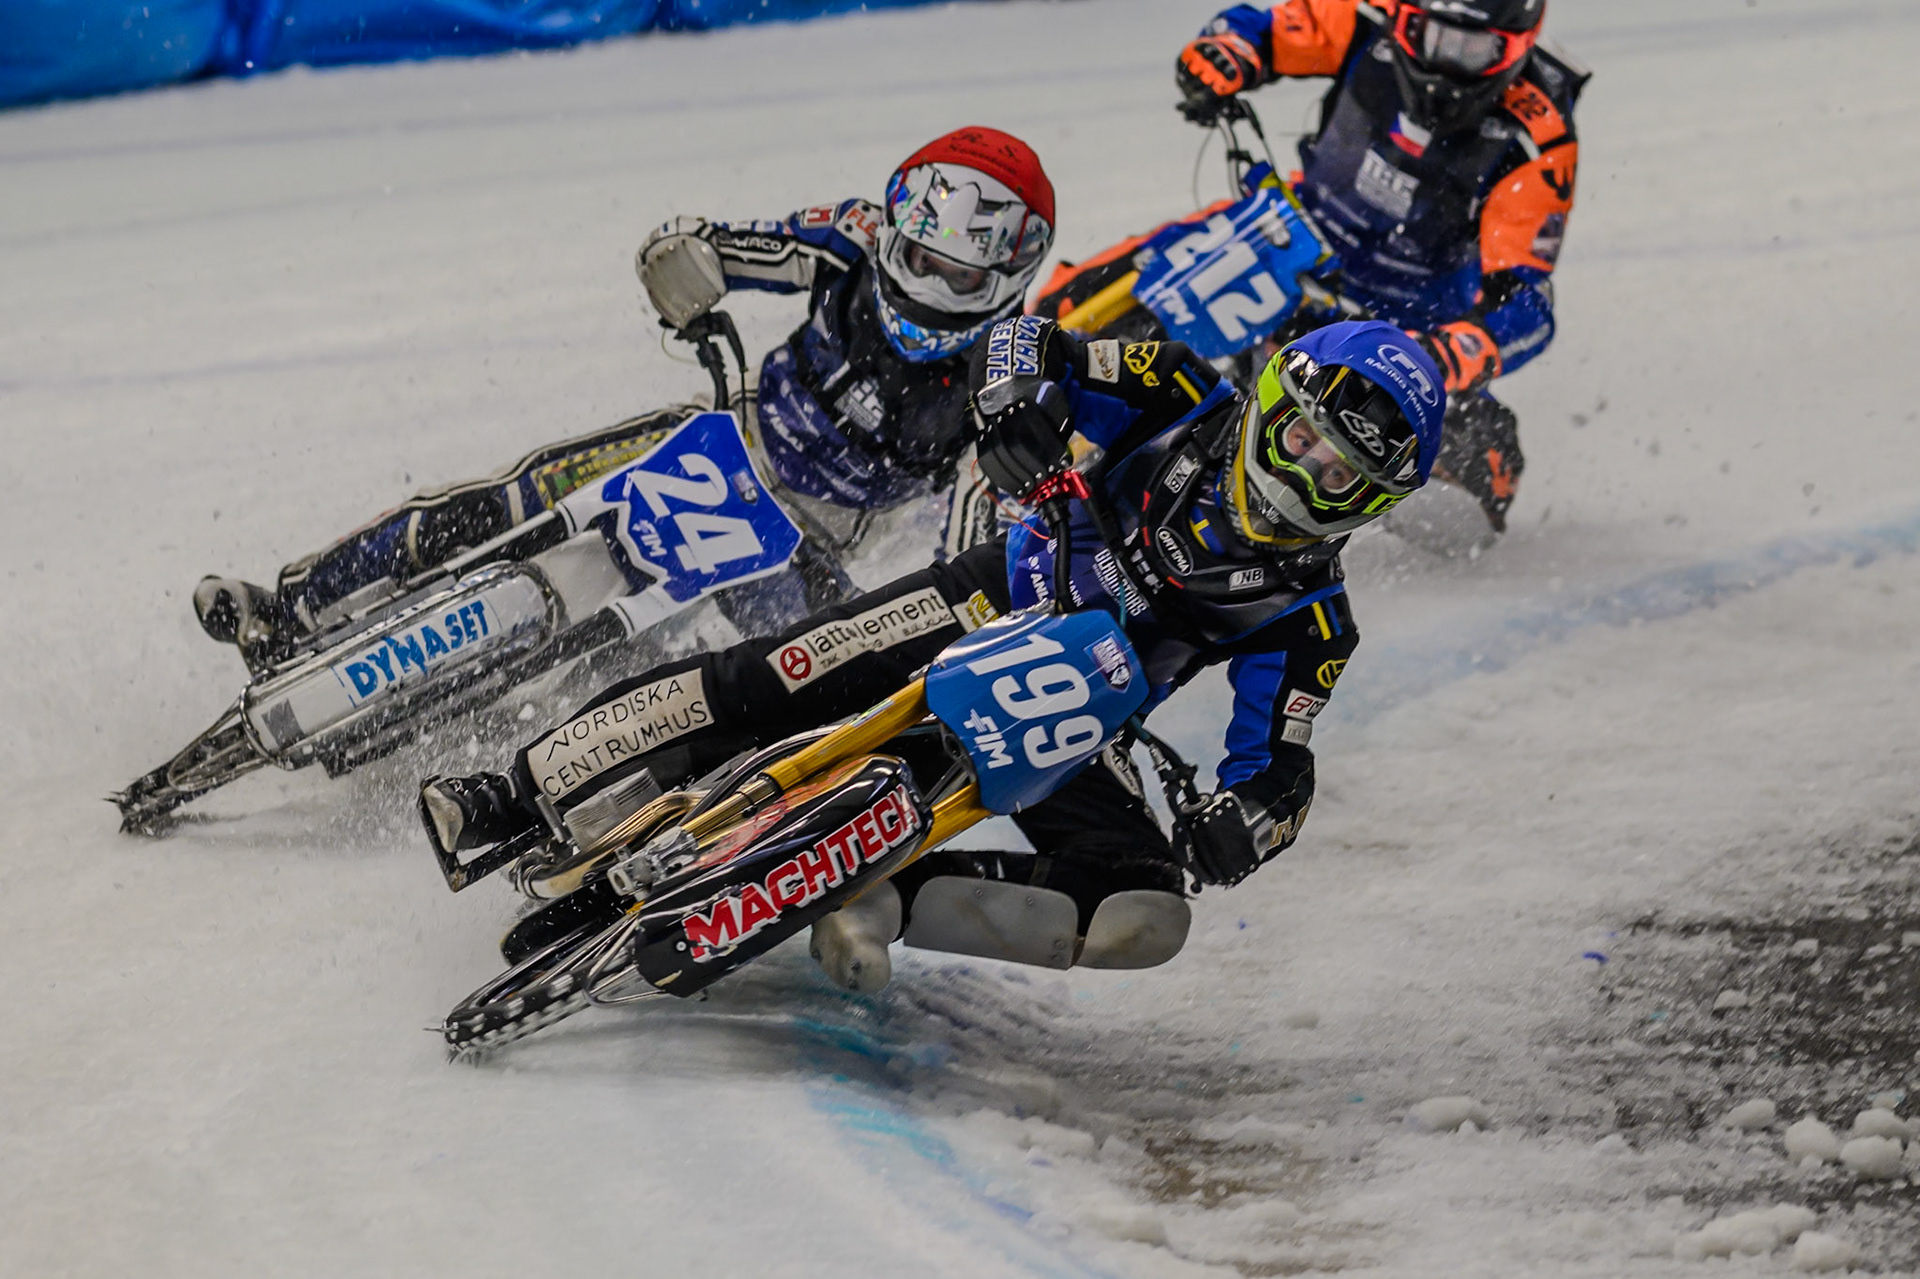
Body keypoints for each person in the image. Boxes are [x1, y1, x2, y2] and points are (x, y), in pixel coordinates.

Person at [418, 314, 1445, 991]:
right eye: (1303, 441)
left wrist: (1245, 826)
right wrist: (1011, 411)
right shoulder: (1177, 388)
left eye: (1340, 479)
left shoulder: (1315, 621)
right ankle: (512, 792)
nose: (1304, 478)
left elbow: (1282, 764)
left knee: (1145, 905)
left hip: (1081, 715)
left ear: (1374, 506)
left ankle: (873, 892)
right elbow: (1021, 343)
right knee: (775, 674)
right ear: (1273, 402)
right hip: (993, 588)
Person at [193, 126, 1056, 673]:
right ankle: (290, 605)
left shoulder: (1010, 370)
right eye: (915, 249)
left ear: (1006, 279)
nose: (919, 276)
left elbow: (971, 546)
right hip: (725, 435)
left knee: (774, 671)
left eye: (952, 270)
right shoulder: (854, 236)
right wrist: (686, 265)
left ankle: (567, 768)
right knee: (513, 495)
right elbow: (713, 247)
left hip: (809, 540)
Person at [1170, 0, 1586, 546]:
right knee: (1104, 284)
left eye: (1473, 48)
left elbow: (1527, 303)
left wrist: (1451, 353)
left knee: (1468, 492)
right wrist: (1228, 50)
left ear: (1518, 43)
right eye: (1431, 34)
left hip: (1396, 335)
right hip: (1286, 243)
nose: (1445, 63)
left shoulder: (1540, 134)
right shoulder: (1366, 16)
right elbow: (1269, 27)